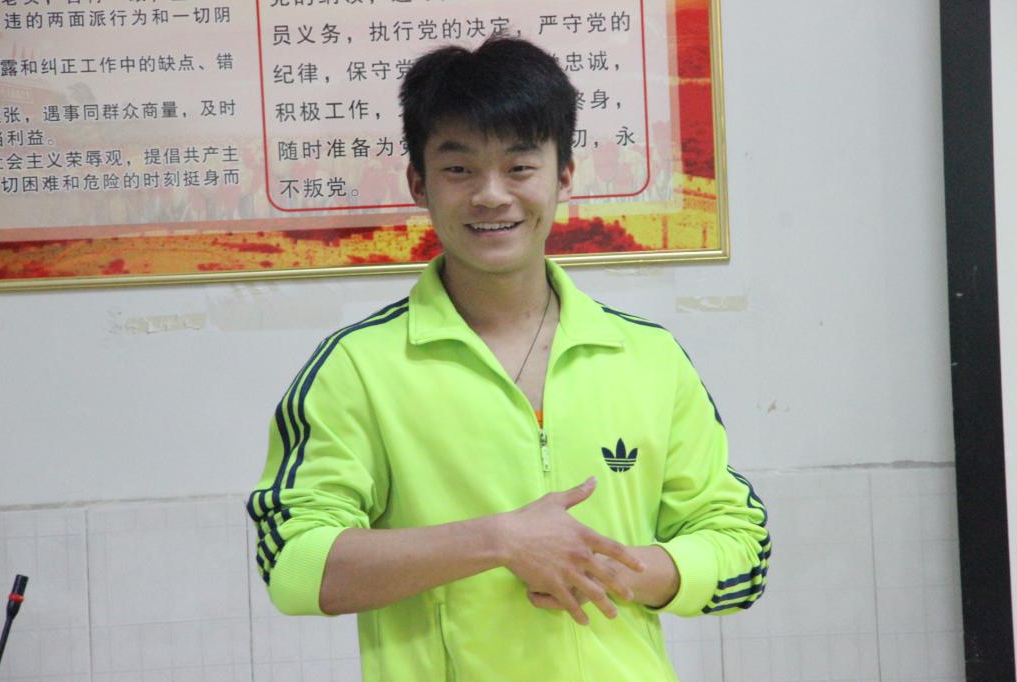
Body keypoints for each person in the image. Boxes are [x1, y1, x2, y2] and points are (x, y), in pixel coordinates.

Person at [247, 37, 770, 682]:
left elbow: (741, 547)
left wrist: (621, 571)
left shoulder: (648, 357)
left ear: (564, 176)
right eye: (459, 169)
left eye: (520, 166)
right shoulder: (357, 367)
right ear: (419, 184)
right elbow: (296, 566)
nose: (492, 195)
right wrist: (496, 541)